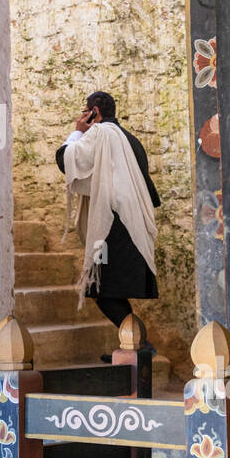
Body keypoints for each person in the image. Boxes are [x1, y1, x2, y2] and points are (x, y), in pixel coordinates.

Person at [55, 91, 160, 336]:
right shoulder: (129, 139)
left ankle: (141, 346)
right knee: (110, 289)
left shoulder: (100, 133)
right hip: (131, 226)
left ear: (94, 112)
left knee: (100, 288)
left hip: (113, 228)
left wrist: (78, 131)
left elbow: (66, 159)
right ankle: (134, 345)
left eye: (86, 111)